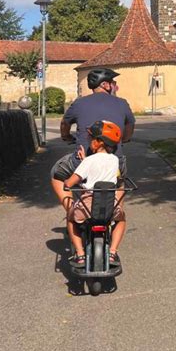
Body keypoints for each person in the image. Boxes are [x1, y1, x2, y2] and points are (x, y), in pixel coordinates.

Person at [51, 68, 135, 208]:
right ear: (105, 85)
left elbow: (65, 123)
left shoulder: (79, 103)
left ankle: (72, 209)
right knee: (120, 181)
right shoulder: (122, 103)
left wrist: (66, 136)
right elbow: (130, 126)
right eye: (113, 82)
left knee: (56, 173)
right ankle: (116, 210)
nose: (115, 85)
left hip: (82, 160)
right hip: (115, 161)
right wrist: (124, 139)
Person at [63, 120, 126, 267]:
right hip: (110, 207)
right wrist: (87, 161)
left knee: (71, 219)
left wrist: (67, 182)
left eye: (91, 138)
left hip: (88, 206)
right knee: (121, 220)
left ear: (99, 142)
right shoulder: (115, 160)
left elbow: (70, 183)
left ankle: (80, 254)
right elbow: (103, 171)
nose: (89, 140)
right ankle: (112, 252)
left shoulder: (89, 161)